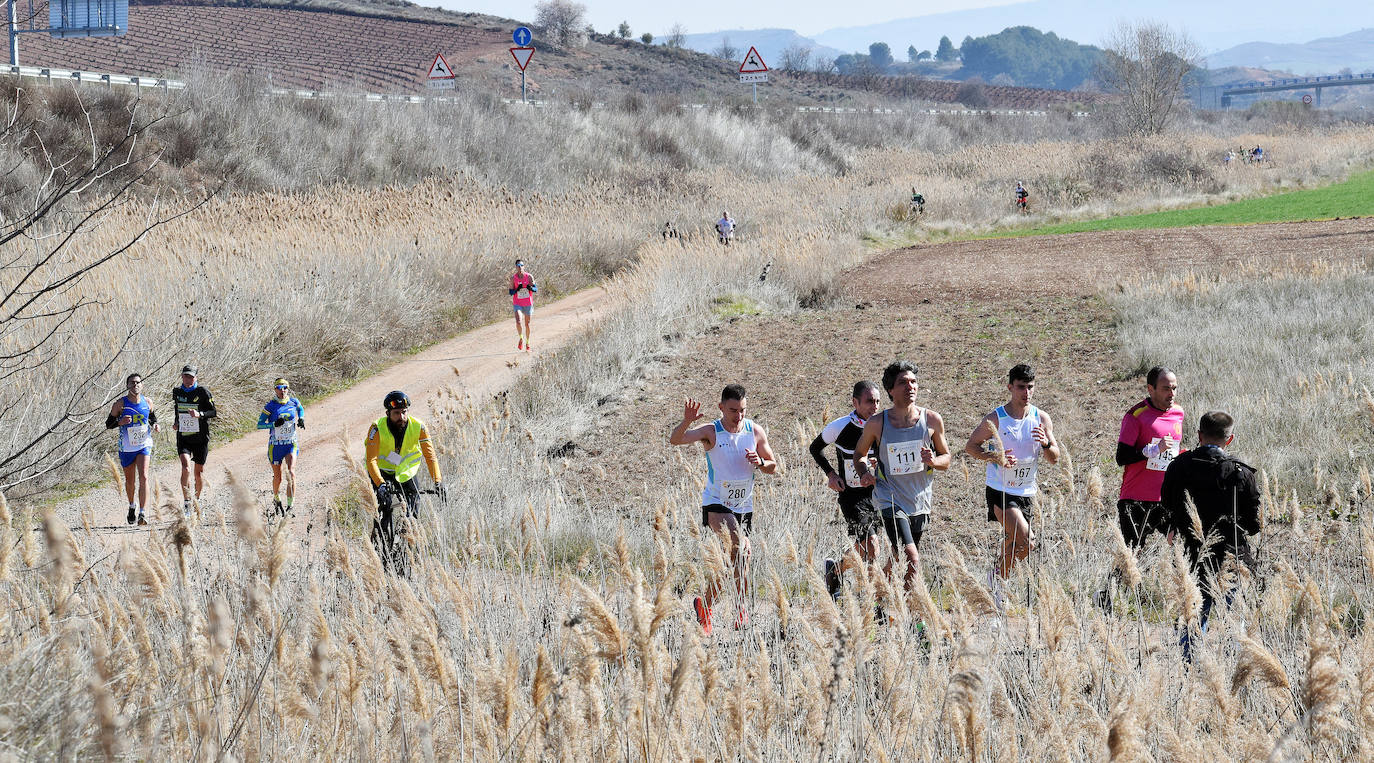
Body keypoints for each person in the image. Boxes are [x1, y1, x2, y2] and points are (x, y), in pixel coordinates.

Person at [669, 385, 778, 634]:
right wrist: (686, 421)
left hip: (744, 506)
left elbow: (773, 466)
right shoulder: (711, 431)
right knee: (743, 548)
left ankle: (704, 605)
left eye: (742, 410)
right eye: (732, 410)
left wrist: (760, 462)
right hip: (716, 503)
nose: (738, 416)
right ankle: (741, 610)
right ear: (721, 407)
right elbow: (675, 440)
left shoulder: (754, 431)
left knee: (733, 562)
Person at [1161, 410, 1261, 661]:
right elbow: (1254, 525)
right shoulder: (1242, 473)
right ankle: (1231, 680)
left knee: (1192, 620)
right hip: (1233, 558)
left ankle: (1189, 676)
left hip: (1193, 557)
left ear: (1199, 435)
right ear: (1230, 439)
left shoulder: (1178, 467)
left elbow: (1167, 509)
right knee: (1233, 624)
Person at [964, 364, 1060, 610]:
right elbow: (971, 447)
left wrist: (1047, 443)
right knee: (1028, 542)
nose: (1026, 392)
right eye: (1020, 387)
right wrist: (995, 457)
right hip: (1001, 490)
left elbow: (1055, 458)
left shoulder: (1041, 418)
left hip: (1027, 491)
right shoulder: (996, 418)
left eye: (1030, 387)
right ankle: (997, 580)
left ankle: (996, 583)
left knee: (1014, 544)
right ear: (1010, 387)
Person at [852, 361, 951, 599]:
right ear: (890, 390)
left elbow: (946, 458)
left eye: (913, 382)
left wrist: (933, 461)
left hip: (919, 500)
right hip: (890, 499)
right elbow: (859, 454)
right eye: (903, 383)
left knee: (899, 557)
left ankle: (873, 597)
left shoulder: (932, 420)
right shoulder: (878, 423)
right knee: (912, 558)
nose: (910, 387)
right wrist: (865, 473)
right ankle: (910, 616)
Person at [1096, 366, 1185, 612]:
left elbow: (1174, 449)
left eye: (1174, 388)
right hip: (1135, 498)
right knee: (1132, 552)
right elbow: (1121, 456)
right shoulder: (1136, 415)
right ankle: (1106, 596)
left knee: (1180, 542)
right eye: (1166, 388)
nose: (1171, 393)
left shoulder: (1178, 413)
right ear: (1150, 389)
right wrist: (1150, 451)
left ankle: (1183, 598)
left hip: (1166, 496)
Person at [809, 381, 883, 600]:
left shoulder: (884, 426)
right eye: (870, 401)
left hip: (877, 495)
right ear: (855, 402)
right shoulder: (839, 426)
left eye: (878, 401)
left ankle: (837, 572)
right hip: (852, 496)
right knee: (872, 545)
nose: (875, 406)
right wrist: (831, 474)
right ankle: (871, 600)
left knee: (871, 550)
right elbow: (815, 449)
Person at [365, 390, 445, 542]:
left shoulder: (419, 427)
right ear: (388, 413)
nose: (401, 417)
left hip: (406, 473)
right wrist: (380, 484)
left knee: (414, 505)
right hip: (382, 473)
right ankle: (379, 542)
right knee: (385, 506)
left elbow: (430, 456)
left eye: (404, 412)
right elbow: (371, 460)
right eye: (396, 413)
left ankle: (406, 538)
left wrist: (438, 481)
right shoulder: (376, 428)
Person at [106, 373, 159, 526]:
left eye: (137, 382)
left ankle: (142, 513)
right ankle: (132, 506)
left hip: (144, 444)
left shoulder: (147, 402)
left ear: (141, 385)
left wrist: (155, 425)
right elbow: (108, 424)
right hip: (127, 447)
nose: (135, 385)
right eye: (132, 383)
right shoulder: (120, 404)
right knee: (130, 481)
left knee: (144, 476)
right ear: (127, 386)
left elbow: (152, 418)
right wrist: (120, 422)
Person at [172, 365, 216, 518]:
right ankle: (186, 503)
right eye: (185, 376)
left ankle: (197, 502)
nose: (188, 379)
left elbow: (213, 412)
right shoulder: (177, 392)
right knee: (186, 468)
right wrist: (176, 422)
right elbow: (177, 410)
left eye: (191, 376)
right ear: (181, 377)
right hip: (184, 437)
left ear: (196, 377)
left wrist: (200, 414)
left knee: (198, 473)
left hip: (200, 438)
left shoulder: (203, 392)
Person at [257, 378, 305, 517]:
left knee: (291, 472)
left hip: (290, 443)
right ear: (275, 390)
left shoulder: (293, 402)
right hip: (275, 446)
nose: (282, 390)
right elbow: (259, 424)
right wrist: (272, 425)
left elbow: (300, 409)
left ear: (287, 389)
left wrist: (301, 418)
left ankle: (291, 506)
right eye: (279, 387)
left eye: (285, 387)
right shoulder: (270, 406)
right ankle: (276, 499)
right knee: (278, 477)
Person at [510, 259, 538, 353]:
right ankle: (521, 338)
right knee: (518, 321)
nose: (520, 267)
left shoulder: (529, 276)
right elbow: (510, 292)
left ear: (524, 266)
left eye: (522, 265)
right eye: (518, 265)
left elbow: (535, 289)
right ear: (516, 267)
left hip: (528, 303)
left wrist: (530, 288)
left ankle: (528, 342)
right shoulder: (513, 278)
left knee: (527, 324)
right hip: (517, 302)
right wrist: (517, 289)